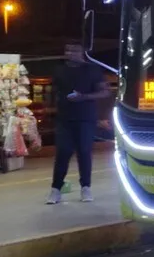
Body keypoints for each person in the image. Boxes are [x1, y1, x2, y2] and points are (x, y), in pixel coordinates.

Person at [46, 43, 110, 205]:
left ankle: (86, 188)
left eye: (74, 50)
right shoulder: (59, 70)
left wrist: (84, 97)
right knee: (62, 153)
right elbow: (53, 92)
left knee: (84, 153)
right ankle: (55, 190)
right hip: (64, 119)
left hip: (86, 119)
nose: (70, 53)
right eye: (67, 50)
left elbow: (104, 92)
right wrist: (52, 109)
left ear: (82, 52)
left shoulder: (92, 70)